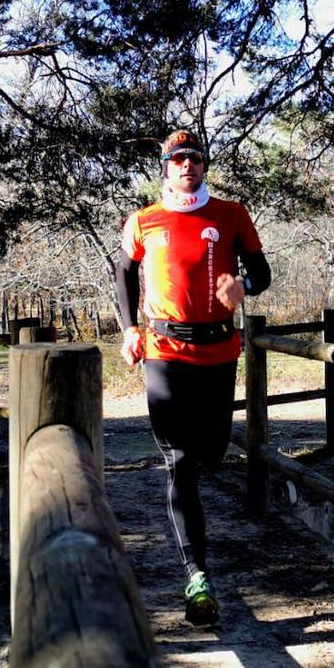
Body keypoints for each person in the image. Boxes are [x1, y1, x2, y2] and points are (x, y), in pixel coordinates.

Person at [116, 129, 272, 626]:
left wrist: (242, 285)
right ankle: (196, 575)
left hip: (219, 350)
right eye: (177, 159)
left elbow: (263, 271)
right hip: (163, 349)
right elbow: (123, 273)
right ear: (166, 167)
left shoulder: (231, 215)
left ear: (204, 165)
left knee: (212, 450)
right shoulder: (143, 220)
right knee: (180, 459)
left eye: (195, 158)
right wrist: (128, 330)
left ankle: (197, 558)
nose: (187, 165)